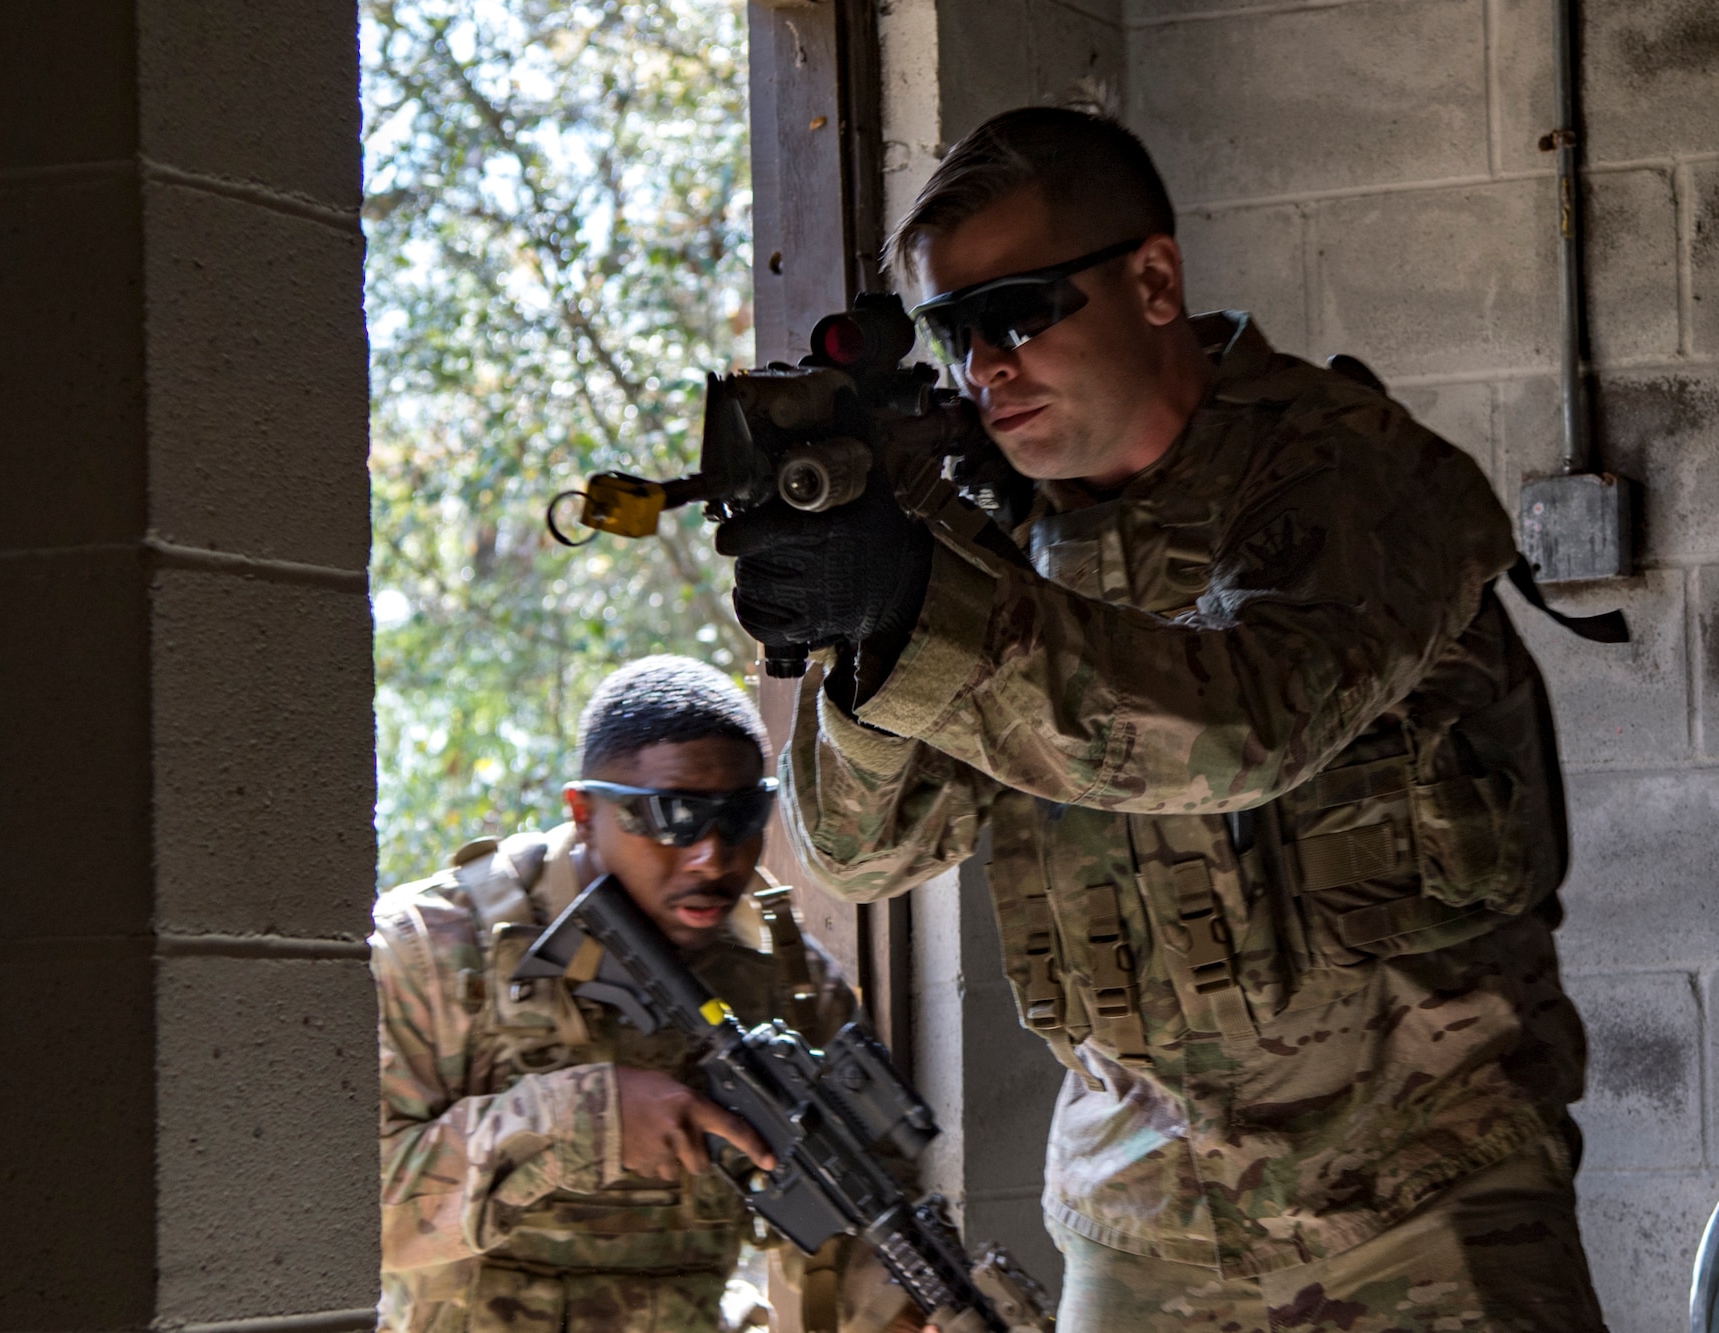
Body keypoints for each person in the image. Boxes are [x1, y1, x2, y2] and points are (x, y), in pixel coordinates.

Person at [720, 107, 1611, 1332]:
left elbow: (1247, 725)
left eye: (1016, 313)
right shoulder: (995, 542)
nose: (983, 367)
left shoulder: (1353, 474)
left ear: (1150, 280)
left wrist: (932, 607)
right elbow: (863, 852)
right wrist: (876, 627)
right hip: (1139, 1222)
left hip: (1417, 1194)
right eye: (951, 331)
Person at [372, 655, 909, 1333]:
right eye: (673, 816)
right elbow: (346, 1216)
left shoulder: (787, 985)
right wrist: (584, 1120)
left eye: (742, 815)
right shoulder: (432, 951)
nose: (712, 857)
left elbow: (860, 1216)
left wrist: (900, 1303)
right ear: (584, 811)